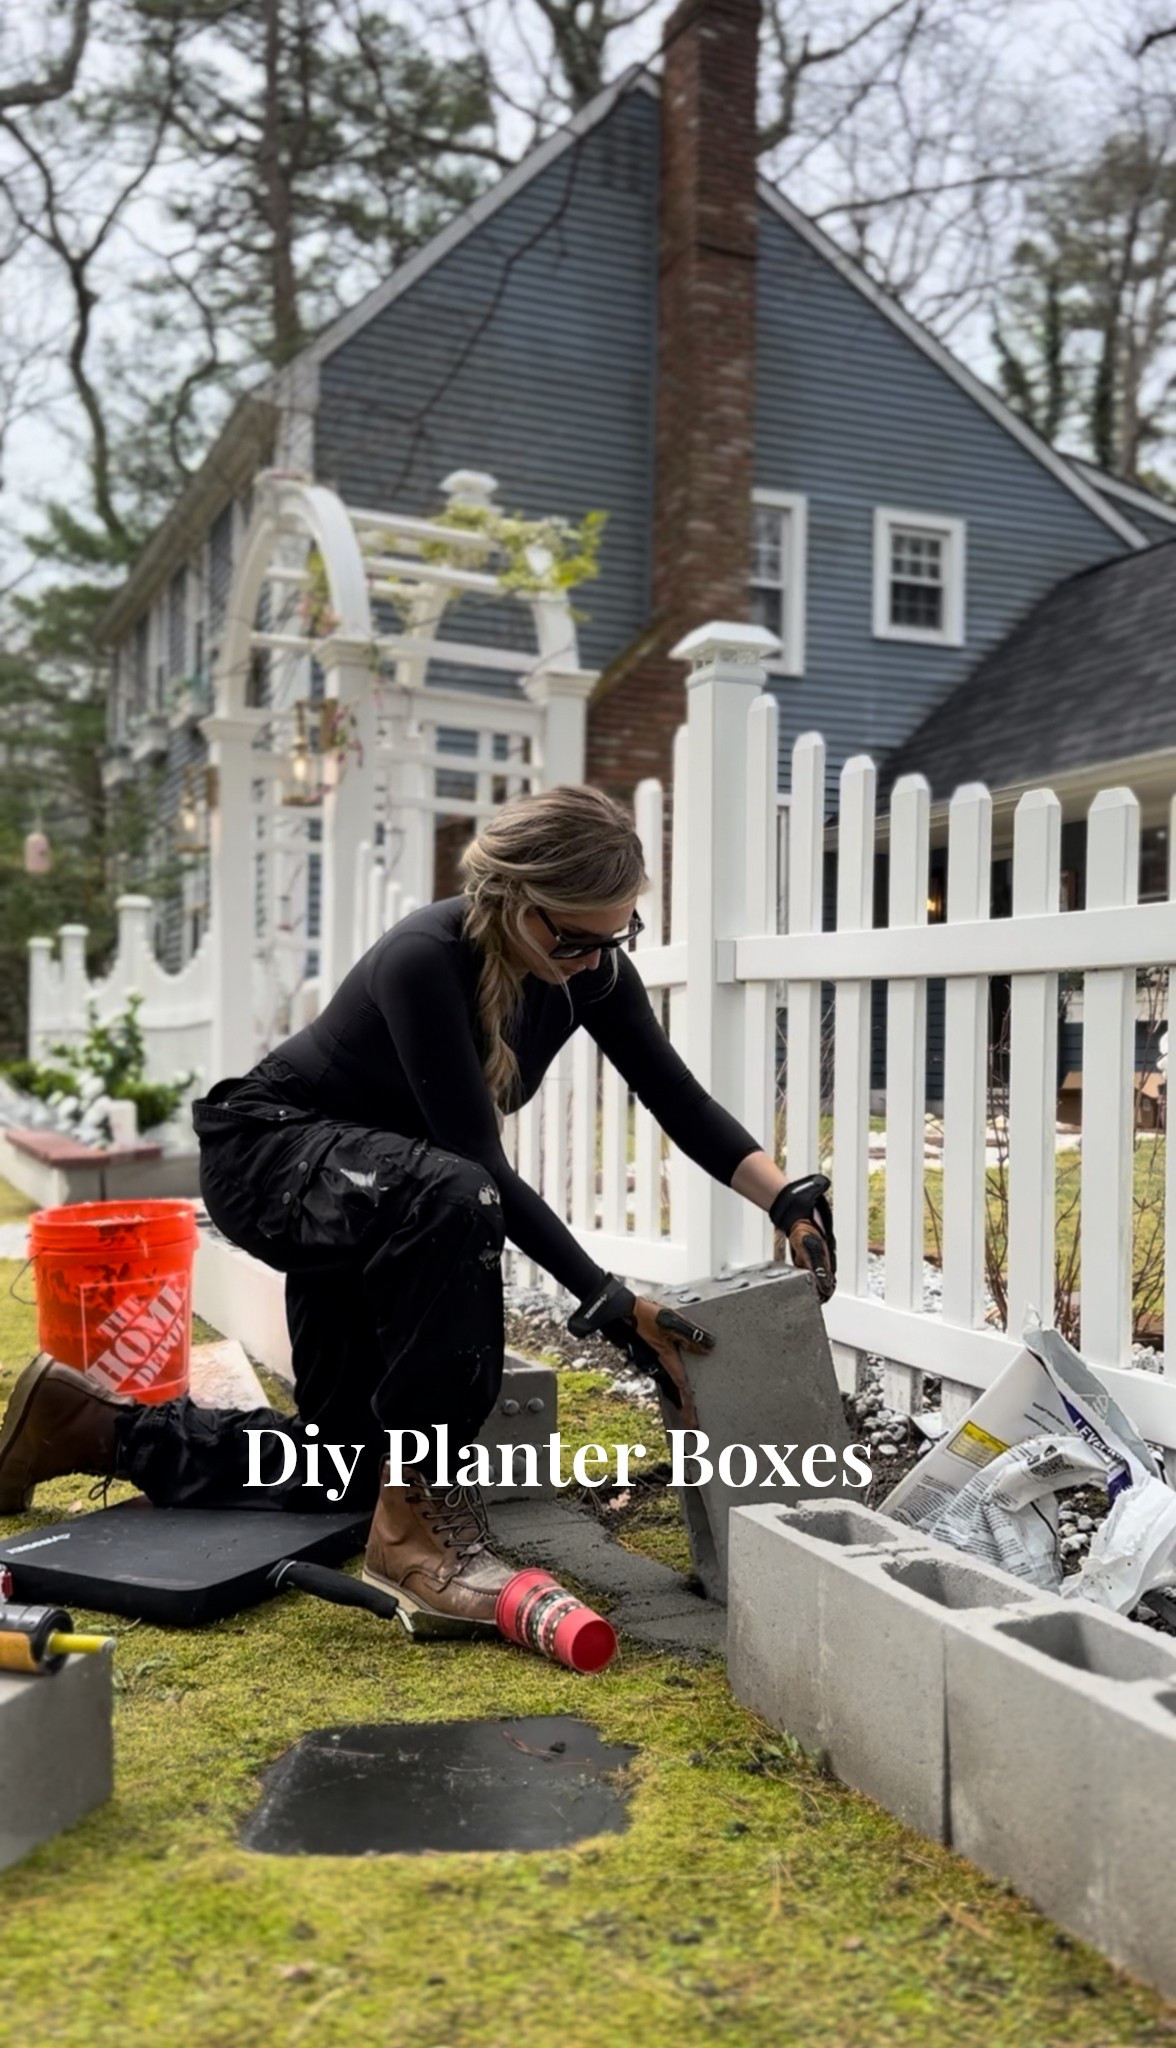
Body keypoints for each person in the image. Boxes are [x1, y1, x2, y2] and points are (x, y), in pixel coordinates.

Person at [0, 784, 835, 1636]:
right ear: (514, 902)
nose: (594, 960)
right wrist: (611, 1304)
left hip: (379, 1194)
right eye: (575, 938)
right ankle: (418, 1538)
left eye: (615, 936)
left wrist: (786, 1197)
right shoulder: (426, 957)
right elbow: (478, 1167)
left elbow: (677, 1098)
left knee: (344, 1471)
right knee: (457, 1195)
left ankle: (89, 1427)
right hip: (274, 1158)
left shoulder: (590, 974)